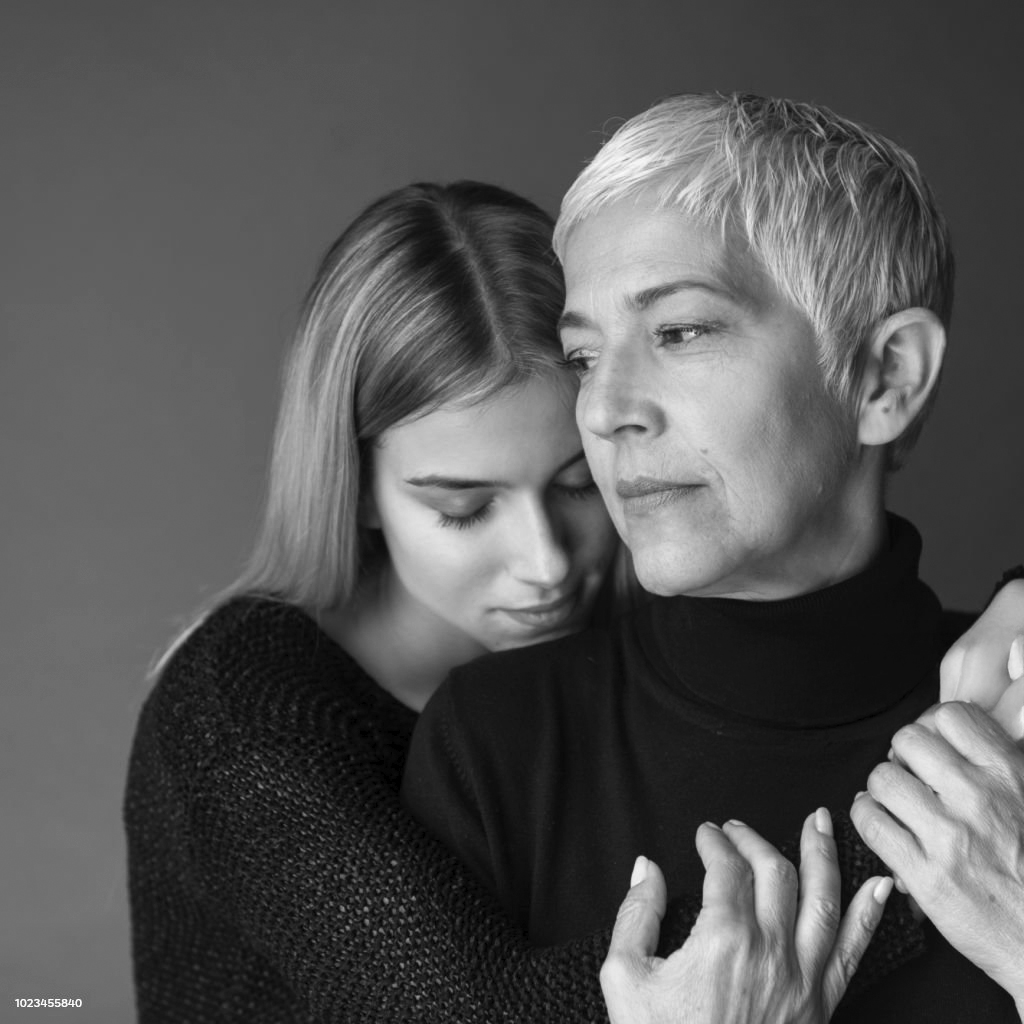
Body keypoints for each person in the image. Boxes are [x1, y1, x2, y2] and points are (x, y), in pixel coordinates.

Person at [125, 180, 902, 1023]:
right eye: (465, 508)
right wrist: (947, 847)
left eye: (576, 488)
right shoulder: (244, 715)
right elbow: (473, 1011)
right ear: (354, 491)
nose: (546, 565)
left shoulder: (631, 621)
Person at [401, 94, 1024, 1023]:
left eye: (681, 332)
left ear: (885, 378)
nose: (607, 409)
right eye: (581, 357)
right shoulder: (497, 746)